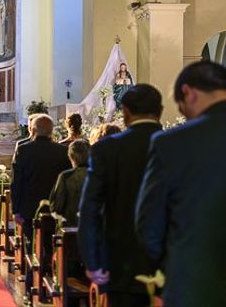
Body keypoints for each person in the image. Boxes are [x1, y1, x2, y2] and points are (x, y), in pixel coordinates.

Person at [136, 61, 226, 306]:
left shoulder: (172, 143)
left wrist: (168, 267)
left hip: (196, 284)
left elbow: (149, 224)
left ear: (188, 92)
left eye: (182, 108)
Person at [79, 84, 163, 307]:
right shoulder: (181, 146)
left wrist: (93, 261)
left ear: (125, 112)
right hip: (171, 263)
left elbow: (90, 209)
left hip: (120, 261)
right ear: (160, 111)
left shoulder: (106, 149)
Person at [11, 114, 70, 300]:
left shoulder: (24, 150)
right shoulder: (61, 151)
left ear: (33, 130)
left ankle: (31, 286)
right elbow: (65, 182)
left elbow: (17, 182)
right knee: (52, 247)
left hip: (29, 209)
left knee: (32, 247)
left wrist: (16, 209)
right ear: (52, 131)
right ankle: (53, 282)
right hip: (55, 209)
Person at [49, 139, 90, 226]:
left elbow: (56, 207)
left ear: (71, 157)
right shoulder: (101, 176)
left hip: (71, 227)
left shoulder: (66, 177)